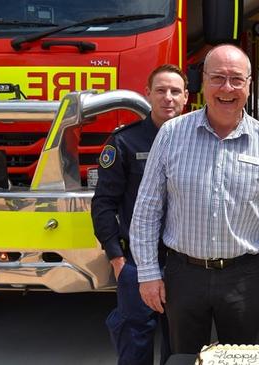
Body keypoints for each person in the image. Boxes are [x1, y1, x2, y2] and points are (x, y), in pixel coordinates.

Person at [129, 44, 259, 354]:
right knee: (183, 357)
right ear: (203, 83)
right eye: (218, 78)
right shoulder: (171, 134)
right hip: (183, 275)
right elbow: (147, 209)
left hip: (242, 278)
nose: (227, 88)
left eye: (237, 79)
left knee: (240, 358)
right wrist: (148, 273)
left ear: (250, 85)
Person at [91, 64, 188, 365]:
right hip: (136, 262)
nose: (168, 98)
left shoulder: (197, 140)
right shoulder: (124, 142)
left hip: (184, 263)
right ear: (147, 94)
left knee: (181, 346)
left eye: (175, 91)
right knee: (135, 345)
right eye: (160, 90)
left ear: (186, 97)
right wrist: (117, 259)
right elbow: (103, 203)